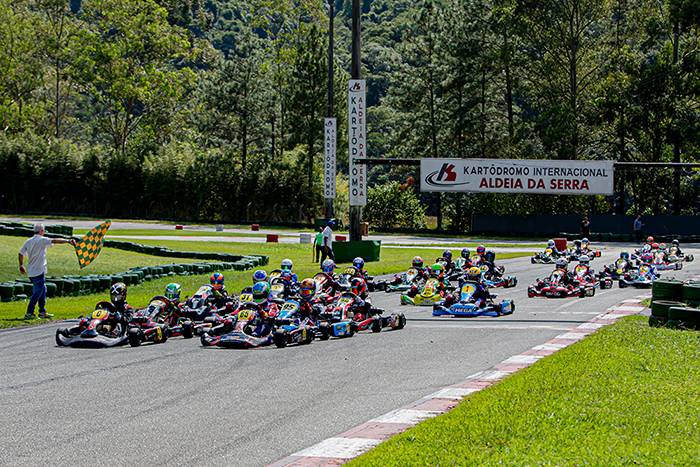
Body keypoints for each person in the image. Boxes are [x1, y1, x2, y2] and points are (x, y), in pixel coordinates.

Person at [19, 222, 77, 319]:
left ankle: (42, 311)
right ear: (42, 231)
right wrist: (68, 241)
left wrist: (21, 265)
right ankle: (29, 312)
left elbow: (21, 253)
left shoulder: (28, 241)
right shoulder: (42, 240)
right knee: (37, 292)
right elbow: (55, 240)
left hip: (31, 271)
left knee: (42, 289)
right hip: (38, 271)